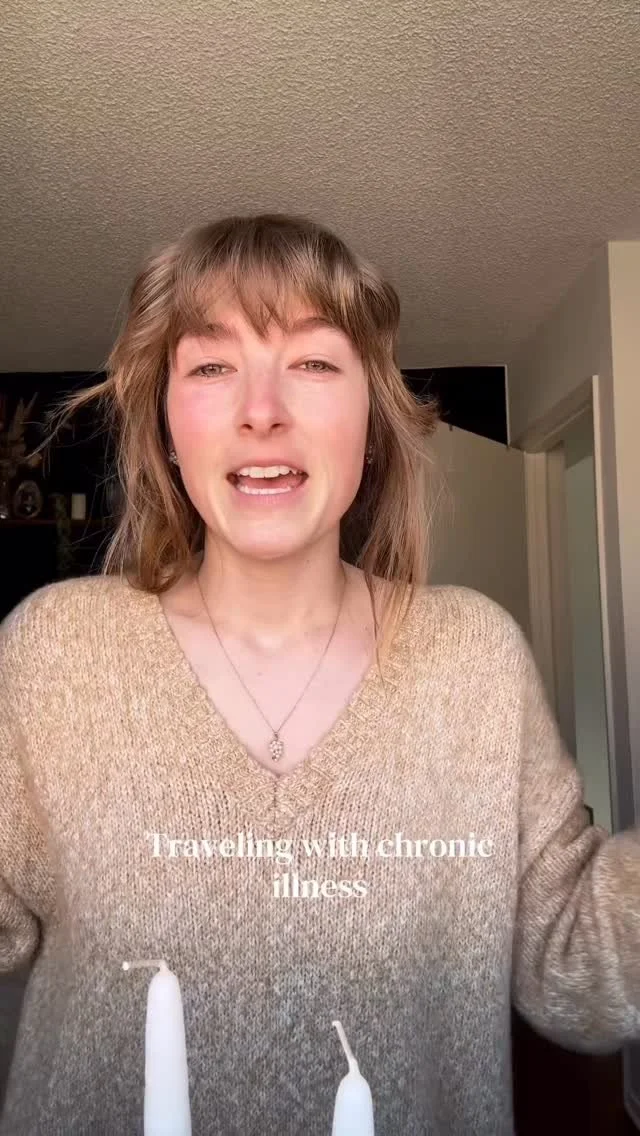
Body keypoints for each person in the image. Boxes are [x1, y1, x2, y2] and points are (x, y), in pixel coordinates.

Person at [0, 213, 638, 1136]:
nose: (262, 409)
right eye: (211, 366)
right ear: (166, 427)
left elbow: (574, 963)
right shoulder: (52, 655)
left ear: (371, 421)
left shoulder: (474, 661)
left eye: (312, 361)